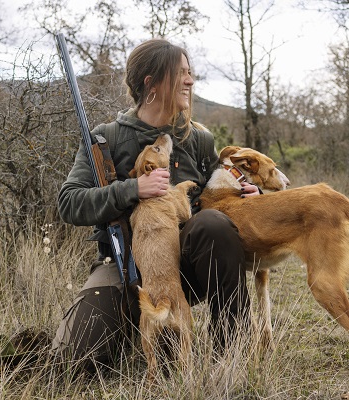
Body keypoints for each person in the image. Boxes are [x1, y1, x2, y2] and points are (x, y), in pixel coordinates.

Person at [52, 38, 260, 371]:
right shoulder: (106, 138)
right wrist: (133, 188)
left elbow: (218, 191)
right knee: (73, 361)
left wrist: (247, 195)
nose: (190, 81)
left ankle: (232, 353)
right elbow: (69, 202)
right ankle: (131, 327)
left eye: (190, 72)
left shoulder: (198, 139)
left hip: (186, 265)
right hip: (124, 268)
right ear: (152, 83)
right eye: (181, 73)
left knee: (213, 225)